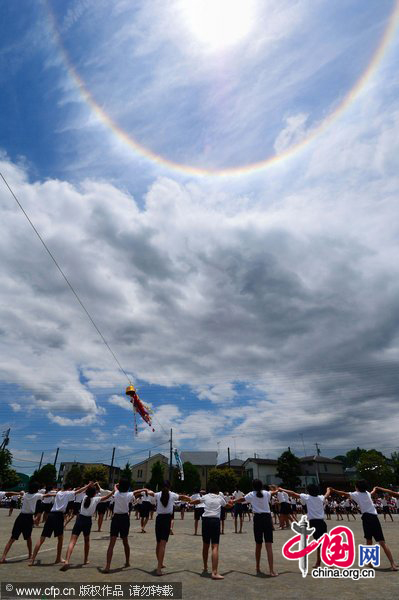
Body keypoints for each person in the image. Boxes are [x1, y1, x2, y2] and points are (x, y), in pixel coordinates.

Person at [330, 481, 398, 571]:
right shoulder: (367, 494)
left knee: (369, 540)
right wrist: (375, 488)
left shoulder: (356, 494)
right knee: (381, 541)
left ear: (357, 488)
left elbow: (343, 493)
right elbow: (372, 492)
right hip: (374, 518)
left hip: (366, 518)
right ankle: (391, 563)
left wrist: (333, 490)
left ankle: (373, 563)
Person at [29, 482, 92, 566]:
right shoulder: (68, 493)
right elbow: (79, 491)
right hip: (59, 516)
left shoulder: (58, 492)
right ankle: (58, 558)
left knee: (42, 538)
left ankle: (32, 559)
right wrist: (88, 485)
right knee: (60, 538)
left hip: (51, 515)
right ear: (69, 488)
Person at [61, 483, 114, 570]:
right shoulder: (96, 499)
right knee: (86, 541)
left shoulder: (84, 497)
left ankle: (67, 560)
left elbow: (83, 490)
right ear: (94, 493)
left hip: (79, 519)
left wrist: (88, 485)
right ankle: (85, 559)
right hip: (87, 521)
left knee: (72, 541)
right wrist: (114, 490)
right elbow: (107, 497)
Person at [279, 484, 331, 569]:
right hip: (321, 522)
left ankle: (322, 562)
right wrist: (328, 489)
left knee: (319, 543)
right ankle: (321, 562)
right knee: (323, 542)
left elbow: (293, 493)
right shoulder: (320, 497)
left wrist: (282, 489)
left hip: (314, 523)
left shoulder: (307, 497)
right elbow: (327, 494)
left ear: (309, 491)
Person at [234, 480, 279, 576]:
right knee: (269, 545)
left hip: (258, 519)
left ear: (253, 487)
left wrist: (233, 501)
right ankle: (271, 570)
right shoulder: (266, 493)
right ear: (262, 486)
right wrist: (276, 488)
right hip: (267, 518)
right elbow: (275, 491)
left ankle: (257, 567)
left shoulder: (251, 494)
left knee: (258, 544)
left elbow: (242, 499)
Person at [146, 482, 191, 575]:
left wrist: (144, 490)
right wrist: (190, 499)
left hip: (159, 519)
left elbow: (150, 492)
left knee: (158, 543)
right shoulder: (172, 494)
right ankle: (159, 568)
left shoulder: (158, 494)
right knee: (163, 544)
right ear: (170, 487)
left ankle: (160, 563)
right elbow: (182, 497)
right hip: (167, 519)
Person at [190, 483, 233, 580]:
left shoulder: (205, 496)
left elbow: (197, 501)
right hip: (215, 521)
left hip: (205, 520)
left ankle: (205, 567)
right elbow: (226, 506)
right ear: (217, 491)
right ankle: (214, 572)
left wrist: (190, 502)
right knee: (215, 546)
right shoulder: (219, 497)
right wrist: (232, 504)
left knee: (205, 545)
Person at [102, 480, 147, 573]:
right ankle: (127, 562)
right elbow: (137, 491)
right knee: (125, 541)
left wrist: (116, 485)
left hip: (116, 518)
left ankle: (107, 566)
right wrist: (145, 489)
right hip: (124, 518)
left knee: (112, 543)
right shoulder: (129, 494)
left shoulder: (117, 493)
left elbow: (115, 487)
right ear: (128, 487)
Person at [0, 486, 43, 563]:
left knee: (12, 538)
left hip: (21, 516)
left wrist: (19, 493)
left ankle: (3, 557)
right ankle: (30, 554)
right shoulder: (37, 495)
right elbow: (47, 495)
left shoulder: (25, 494)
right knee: (28, 537)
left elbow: (10, 493)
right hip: (29, 517)